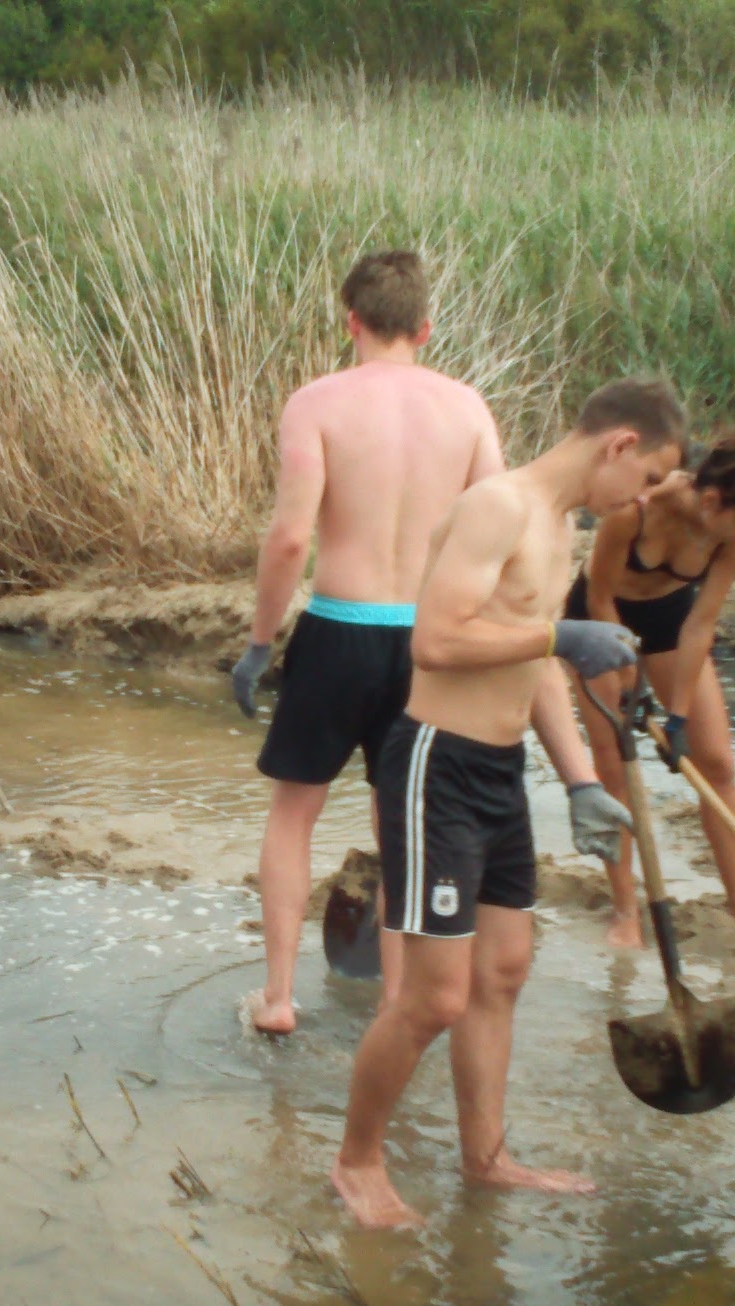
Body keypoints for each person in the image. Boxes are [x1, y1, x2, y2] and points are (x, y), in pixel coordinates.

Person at [330, 379, 683, 1230]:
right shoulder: (498, 507)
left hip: (497, 772)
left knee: (503, 975)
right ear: (619, 444)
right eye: (644, 479)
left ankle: (485, 1160)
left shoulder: (560, 527)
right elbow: (438, 641)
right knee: (433, 998)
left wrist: (580, 782)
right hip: (435, 765)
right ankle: (357, 1162)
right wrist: (561, 635)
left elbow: (530, 671)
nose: (638, 503)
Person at [231, 250, 506, 1034]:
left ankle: (278, 999)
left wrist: (259, 644)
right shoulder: (467, 408)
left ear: (349, 319)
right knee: (402, 822)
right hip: (426, 643)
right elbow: (496, 526)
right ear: (425, 327)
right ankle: (394, 1003)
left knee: (293, 816)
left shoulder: (315, 404)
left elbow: (288, 540)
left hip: (338, 633)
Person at [565, 432, 735, 951]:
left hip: (672, 620)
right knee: (615, 765)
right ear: (712, 499)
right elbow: (602, 597)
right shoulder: (635, 512)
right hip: (599, 620)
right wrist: (632, 688)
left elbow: (702, 621)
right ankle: (626, 908)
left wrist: (675, 717)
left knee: (716, 762)